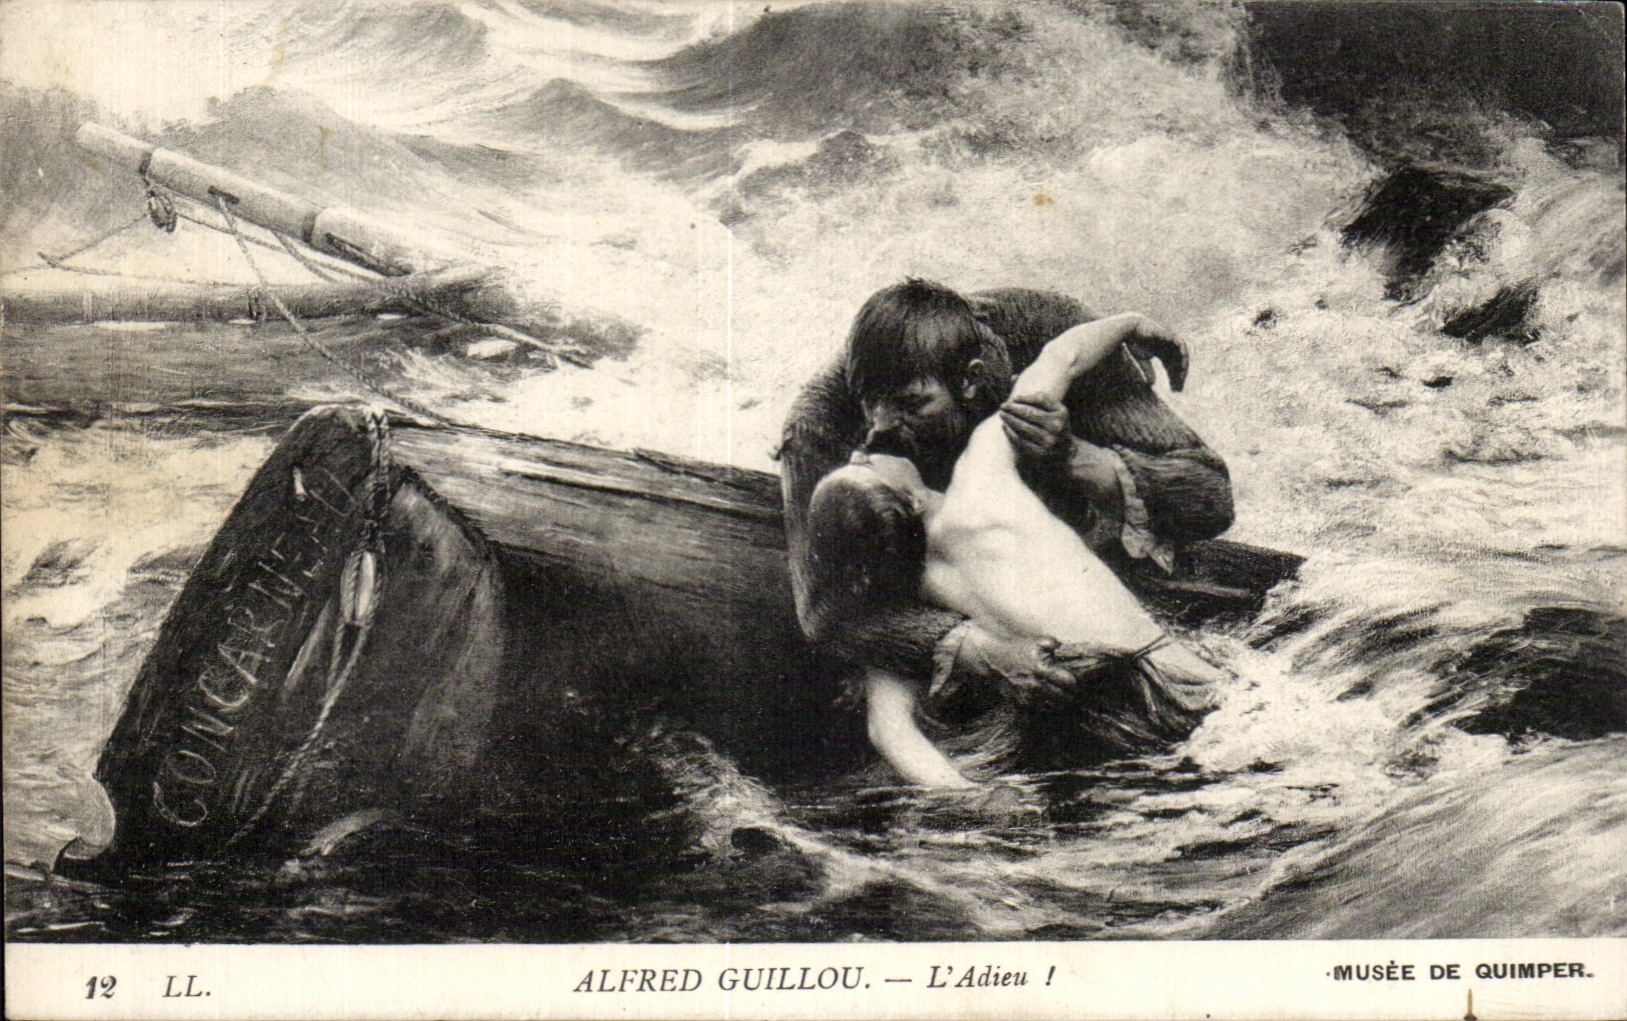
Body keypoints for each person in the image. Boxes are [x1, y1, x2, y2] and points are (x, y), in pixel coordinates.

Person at [778, 280, 1233, 774]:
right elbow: (830, 614)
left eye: (911, 404)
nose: (873, 438)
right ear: (905, 499)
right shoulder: (981, 476)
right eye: (866, 462)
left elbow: (888, 729)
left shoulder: (914, 576)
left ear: (971, 380)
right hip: (1150, 670)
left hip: (1106, 690)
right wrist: (1132, 322)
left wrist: (1071, 455)